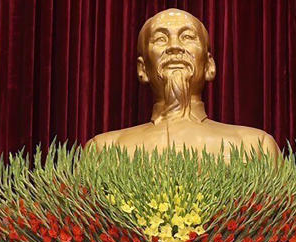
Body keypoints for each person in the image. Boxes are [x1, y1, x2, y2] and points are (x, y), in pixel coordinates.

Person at [87, 8, 280, 158]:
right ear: (142, 69)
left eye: (187, 37)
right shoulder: (104, 150)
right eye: (161, 39)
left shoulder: (255, 147)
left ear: (209, 66)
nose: (174, 46)